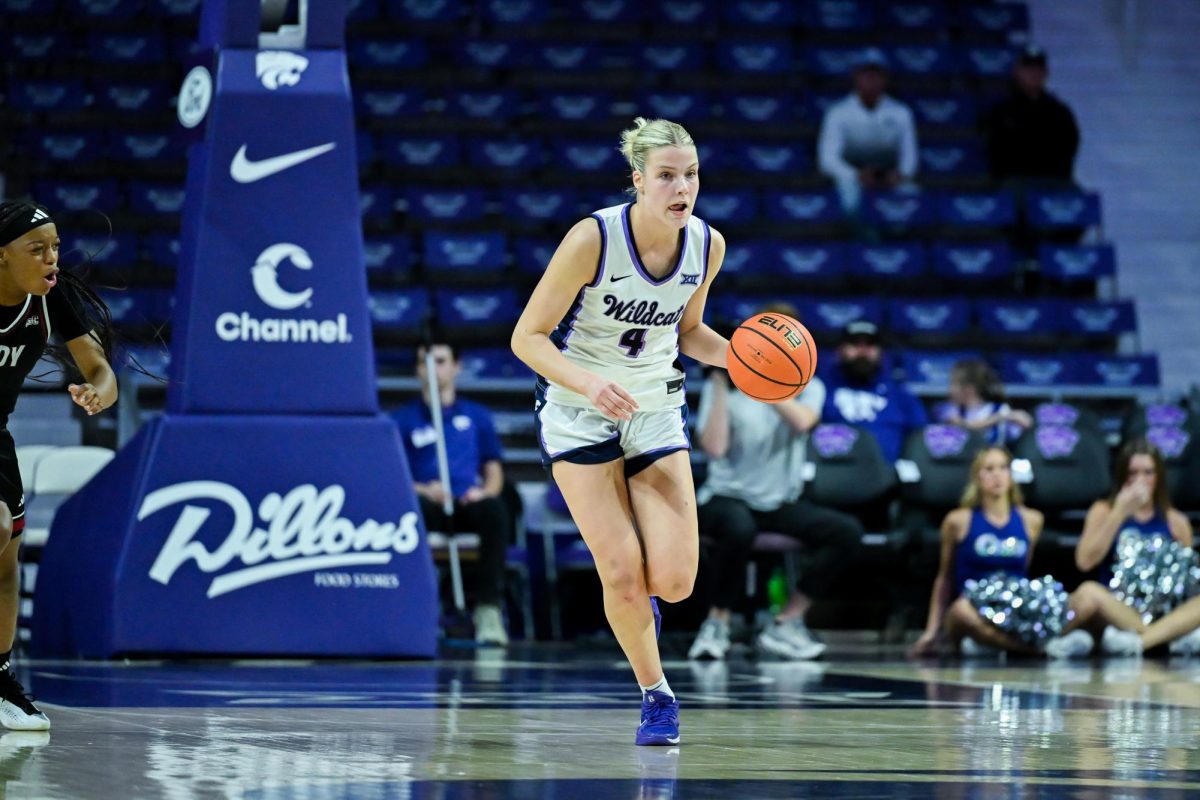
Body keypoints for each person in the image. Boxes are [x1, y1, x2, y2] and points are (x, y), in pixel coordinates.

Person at [511, 117, 730, 746]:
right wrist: (587, 384)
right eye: (666, 175)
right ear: (638, 181)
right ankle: (656, 695)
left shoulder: (707, 245)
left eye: (690, 174)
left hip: (655, 407)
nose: (681, 186)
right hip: (579, 408)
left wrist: (741, 356)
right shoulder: (593, 238)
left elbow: (688, 332)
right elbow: (526, 337)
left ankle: (645, 609)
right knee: (621, 572)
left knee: (676, 581)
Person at [0, 199, 119, 730]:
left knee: (6, 563)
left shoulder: (53, 298)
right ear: (2, 257)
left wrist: (97, 392)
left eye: (55, 247)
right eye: (36, 249)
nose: (52, 259)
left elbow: (102, 370)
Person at [688, 303, 862, 662]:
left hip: (780, 500)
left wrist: (766, 382)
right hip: (727, 496)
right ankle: (717, 622)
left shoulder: (808, 386)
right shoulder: (726, 389)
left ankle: (785, 622)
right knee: (738, 528)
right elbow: (715, 448)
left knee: (845, 532)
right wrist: (720, 381)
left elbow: (802, 423)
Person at [392, 342, 512, 646]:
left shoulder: (477, 417)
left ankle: (487, 610)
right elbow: (392, 476)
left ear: (456, 367)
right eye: (424, 362)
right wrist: (422, 489)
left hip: (466, 502)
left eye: (440, 361)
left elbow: (493, 470)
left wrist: (484, 492)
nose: (432, 368)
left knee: (496, 510)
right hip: (427, 504)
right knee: (408, 510)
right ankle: (416, 612)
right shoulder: (402, 421)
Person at [1055, 440, 1200, 657]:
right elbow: (1084, 561)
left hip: (1162, 609)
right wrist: (1120, 512)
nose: (1140, 480)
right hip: (1118, 609)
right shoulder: (1104, 510)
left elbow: (1188, 582)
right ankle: (1166, 638)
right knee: (1088, 591)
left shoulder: (1175, 520)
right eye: (1133, 473)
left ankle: (1141, 641)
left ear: (1158, 476)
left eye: (1148, 472)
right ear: (1123, 476)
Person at [910, 447, 1046, 656]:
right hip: (973, 607)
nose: (997, 475)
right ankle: (1027, 648)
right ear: (977, 477)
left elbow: (1024, 569)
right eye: (989, 469)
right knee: (960, 611)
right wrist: (931, 631)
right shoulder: (957, 521)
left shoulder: (1032, 520)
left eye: (1003, 468)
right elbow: (944, 579)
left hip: (1014, 607)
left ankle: (996, 644)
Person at [817, 47, 919, 217]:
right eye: (866, 74)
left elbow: (910, 157)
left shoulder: (901, 112)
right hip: (852, 177)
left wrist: (900, 174)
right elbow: (827, 159)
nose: (871, 79)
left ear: (885, 78)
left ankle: (901, 240)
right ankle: (858, 238)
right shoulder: (838, 112)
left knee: (911, 194)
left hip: (889, 176)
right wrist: (856, 175)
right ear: (855, 76)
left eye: (877, 74)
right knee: (849, 195)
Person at [821, 320, 927, 463]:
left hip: (889, 480)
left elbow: (921, 438)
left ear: (881, 352)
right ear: (840, 351)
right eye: (855, 344)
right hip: (832, 475)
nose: (863, 351)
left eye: (870, 344)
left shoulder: (901, 396)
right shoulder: (822, 391)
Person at [983, 44, 1080, 187]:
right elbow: (996, 151)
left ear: (1046, 73)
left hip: (1054, 179)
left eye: (1038, 69)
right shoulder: (1002, 111)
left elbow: (1069, 145)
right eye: (1028, 69)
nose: (1034, 74)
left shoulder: (1060, 111)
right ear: (1017, 72)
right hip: (1016, 180)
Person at [934, 358, 1031, 446]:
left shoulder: (998, 409)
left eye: (953, 384)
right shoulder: (950, 409)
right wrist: (1000, 417)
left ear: (969, 389)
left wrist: (1011, 417)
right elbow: (969, 426)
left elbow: (1026, 423)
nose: (949, 390)